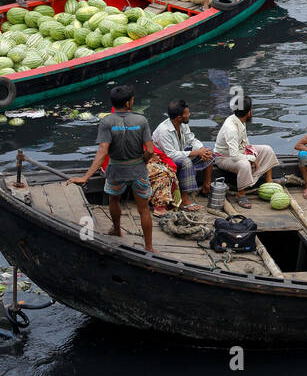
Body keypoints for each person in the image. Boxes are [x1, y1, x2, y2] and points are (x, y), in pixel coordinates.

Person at [71, 86, 155, 253]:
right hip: (138, 169)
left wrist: (86, 177)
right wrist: (142, 161)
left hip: (116, 169)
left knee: (114, 200)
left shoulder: (107, 122)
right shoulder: (141, 121)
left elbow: (102, 151)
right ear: (128, 102)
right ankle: (149, 247)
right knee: (143, 208)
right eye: (132, 99)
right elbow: (150, 150)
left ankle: (116, 229)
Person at [214, 97, 279, 207]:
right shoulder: (231, 129)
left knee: (267, 150)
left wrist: (250, 152)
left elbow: (244, 142)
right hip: (224, 157)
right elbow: (234, 156)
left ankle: (269, 180)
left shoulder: (239, 120)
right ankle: (241, 193)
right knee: (244, 165)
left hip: (240, 151)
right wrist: (252, 158)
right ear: (249, 112)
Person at [153, 99, 215, 208]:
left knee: (209, 153)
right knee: (186, 162)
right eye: (187, 113)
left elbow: (192, 140)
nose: (189, 115)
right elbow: (171, 155)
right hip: (164, 162)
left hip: (178, 155)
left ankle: (206, 186)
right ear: (179, 117)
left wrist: (202, 150)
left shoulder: (182, 124)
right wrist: (196, 152)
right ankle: (184, 199)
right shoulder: (164, 131)